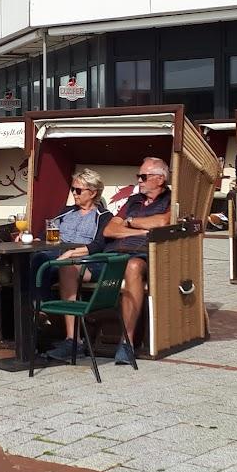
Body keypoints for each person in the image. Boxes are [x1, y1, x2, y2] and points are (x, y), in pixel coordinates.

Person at [102, 156, 174, 365]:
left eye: (143, 176)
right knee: (68, 267)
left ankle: (127, 342)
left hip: (145, 254)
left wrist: (130, 222)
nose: (139, 181)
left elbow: (162, 221)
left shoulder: (171, 199)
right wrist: (141, 230)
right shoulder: (133, 200)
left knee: (132, 266)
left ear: (160, 179)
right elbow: (109, 229)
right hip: (115, 252)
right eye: (138, 176)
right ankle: (69, 338)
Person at [33, 169, 109, 363]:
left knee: (58, 264)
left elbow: (98, 245)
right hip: (57, 253)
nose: (74, 193)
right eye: (73, 189)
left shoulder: (103, 216)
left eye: (78, 190)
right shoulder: (66, 211)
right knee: (35, 257)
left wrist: (71, 254)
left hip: (85, 260)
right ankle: (38, 312)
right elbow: (47, 232)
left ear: (93, 192)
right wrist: (35, 239)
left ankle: (66, 333)